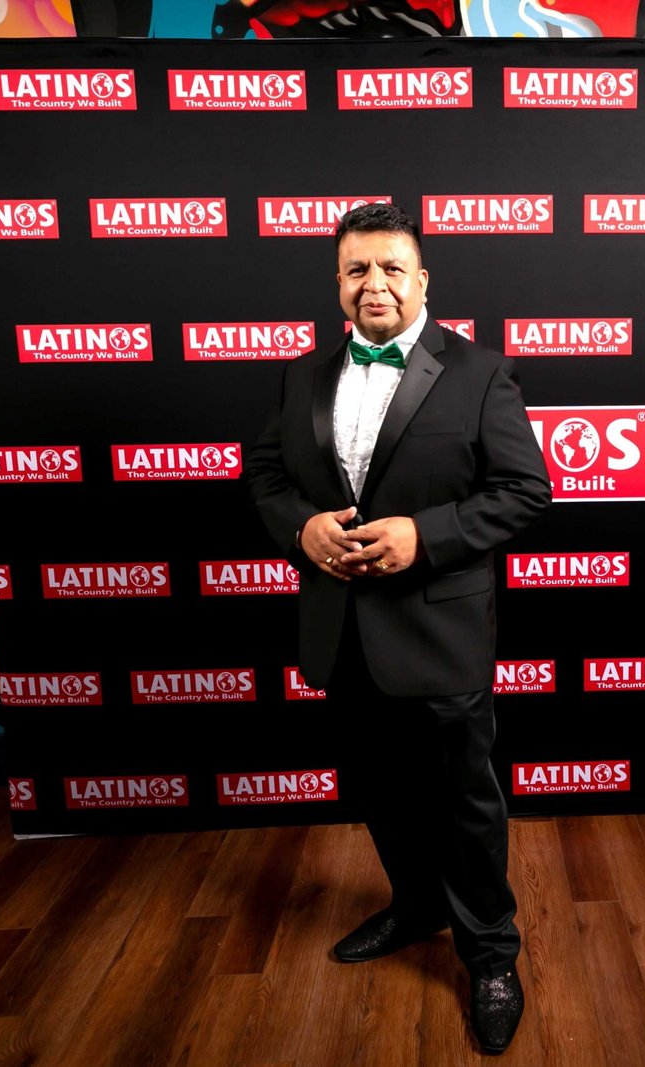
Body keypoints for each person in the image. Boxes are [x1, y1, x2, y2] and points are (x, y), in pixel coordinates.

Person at [243, 202, 551, 1054]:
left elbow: (524, 490)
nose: (372, 283)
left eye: (389, 267)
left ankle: (491, 954)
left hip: (440, 636)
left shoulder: (480, 373)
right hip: (341, 633)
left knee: (465, 803)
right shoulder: (302, 375)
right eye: (356, 269)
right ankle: (415, 907)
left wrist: (426, 534)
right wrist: (302, 528)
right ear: (337, 284)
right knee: (380, 789)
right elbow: (265, 475)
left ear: (421, 281)